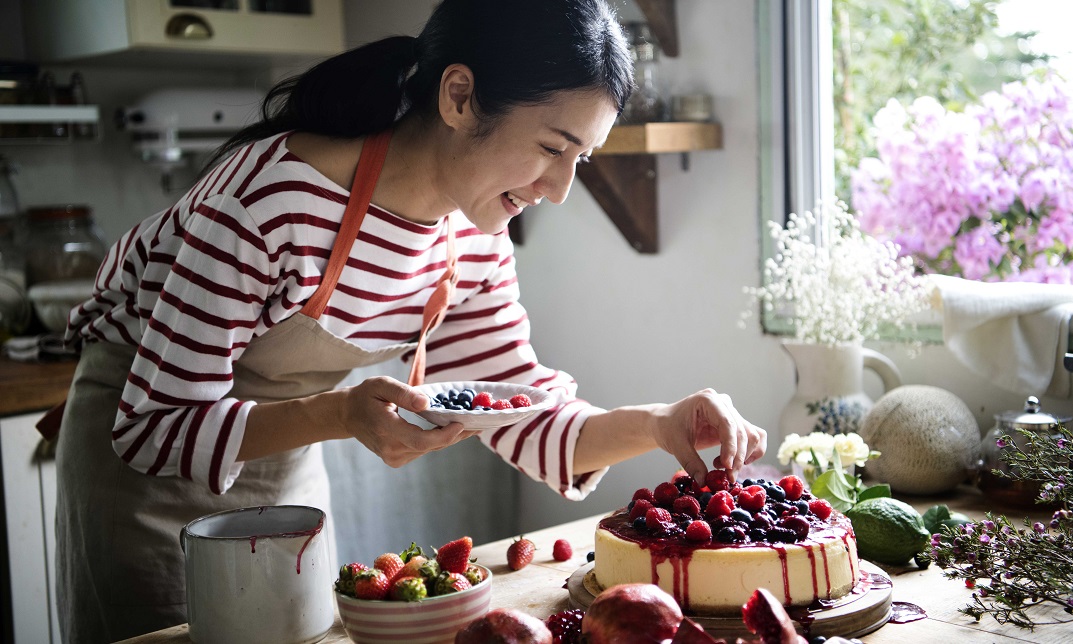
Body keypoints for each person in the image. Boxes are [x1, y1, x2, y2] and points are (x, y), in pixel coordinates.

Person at [52, 0, 767, 641]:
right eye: (552, 147)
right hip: (146, 477)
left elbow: (521, 411)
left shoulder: (474, 236)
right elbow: (153, 427)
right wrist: (339, 414)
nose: (558, 190)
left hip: (283, 464)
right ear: (459, 96)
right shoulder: (271, 201)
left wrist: (656, 424)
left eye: (580, 158)